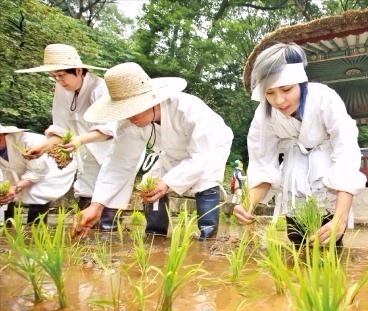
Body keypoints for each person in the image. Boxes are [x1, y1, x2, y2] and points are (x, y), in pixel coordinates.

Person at [71, 62, 233, 240]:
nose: (129, 117)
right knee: (151, 182)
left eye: (132, 109)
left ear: (151, 99)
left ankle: (207, 237)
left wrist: (167, 182)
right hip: (172, 152)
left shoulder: (188, 110)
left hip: (212, 146)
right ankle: (156, 233)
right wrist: (96, 205)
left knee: (205, 181)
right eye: (123, 111)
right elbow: (118, 165)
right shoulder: (128, 123)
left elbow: (201, 156)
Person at [232, 43, 367, 246]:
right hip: (293, 181)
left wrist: (340, 218)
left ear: (301, 82)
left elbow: (346, 154)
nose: (279, 100)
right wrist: (248, 205)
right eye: (269, 93)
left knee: (329, 246)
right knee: (297, 242)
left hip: (327, 177)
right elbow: (263, 163)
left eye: (286, 89)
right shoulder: (264, 114)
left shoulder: (324, 99)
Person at [16, 44, 122, 231]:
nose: (58, 80)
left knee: (108, 199)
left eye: (62, 75)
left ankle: (109, 236)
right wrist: (43, 146)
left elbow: (109, 128)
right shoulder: (61, 90)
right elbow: (61, 128)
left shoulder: (100, 89)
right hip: (85, 152)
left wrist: (79, 140)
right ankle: (85, 243)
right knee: (87, 194)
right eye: (54, 76)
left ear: (78, 70)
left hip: (111, 151)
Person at [0, 124, 75, 224]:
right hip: (26, 168)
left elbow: (38, 171)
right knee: (7, 195)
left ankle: (35, 230)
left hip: (54, 167)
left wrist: (16, 187)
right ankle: (8, 226)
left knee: (38, 194)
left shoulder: (28, 142)